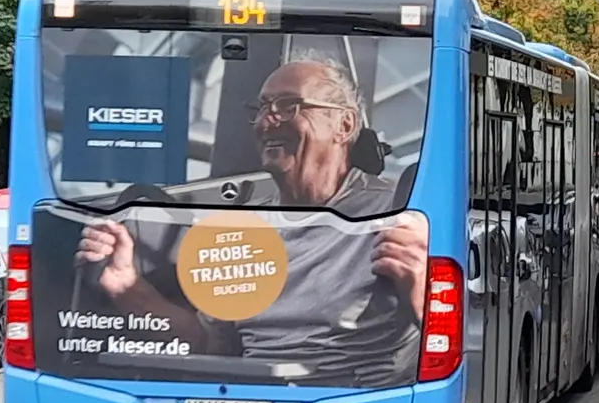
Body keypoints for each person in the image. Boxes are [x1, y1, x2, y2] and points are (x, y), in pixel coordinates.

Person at [76, 52, 429, 386]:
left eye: (289, 105)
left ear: (344, 124)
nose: (267, 120)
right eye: (262, 108)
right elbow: (209, 346)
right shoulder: (242, 228)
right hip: (253, 401)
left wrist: (421, 290)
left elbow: (446, 343)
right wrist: (127, 286)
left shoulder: (397, 215)